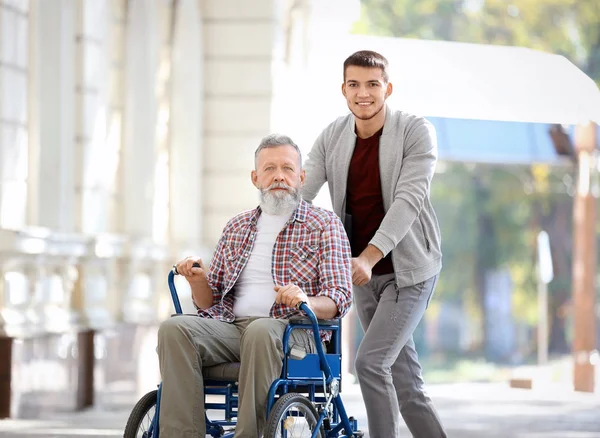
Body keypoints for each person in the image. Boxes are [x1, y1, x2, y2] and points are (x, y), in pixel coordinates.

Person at [157, 134, 353, 438]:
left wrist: (306, 300)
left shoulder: (324, 224)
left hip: (297, 332)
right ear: (255, 178)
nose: (279, 176)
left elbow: (340, 297)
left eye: (287, 168)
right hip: (234, 328)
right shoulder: (237, 227)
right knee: (175, 328)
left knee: (261, 331)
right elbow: (210, 302)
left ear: (301, 177)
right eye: (269, 169)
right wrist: (198, 281)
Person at [303, 50, 447, 438]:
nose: (363, 93)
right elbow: (302, 193)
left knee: (369, 363)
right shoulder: (333, 135)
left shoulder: (416, 131)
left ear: (388, 88)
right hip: (362, 275)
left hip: (409, 270)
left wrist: (368, 256)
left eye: (372, 84)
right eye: (354, 84)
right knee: (406, 384)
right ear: (343, 89)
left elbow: (408, 201)